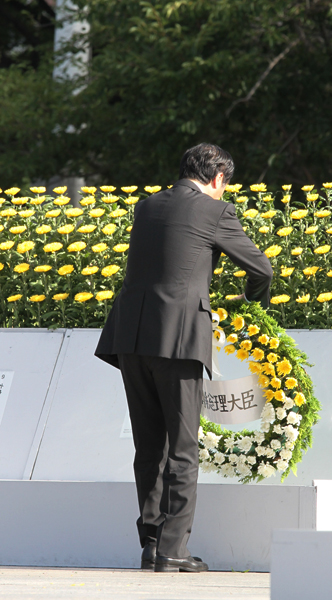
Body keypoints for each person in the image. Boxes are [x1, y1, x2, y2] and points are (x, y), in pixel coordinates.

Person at [95, 143, 273, 573]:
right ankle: (174, 549)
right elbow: (261, 269)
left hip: (131, 337)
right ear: (217, 179)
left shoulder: (147, 206)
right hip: (178, 340)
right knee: (184, 447)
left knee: (148, 445)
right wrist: (250, 305)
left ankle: (151, 544)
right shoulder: (216, 210)